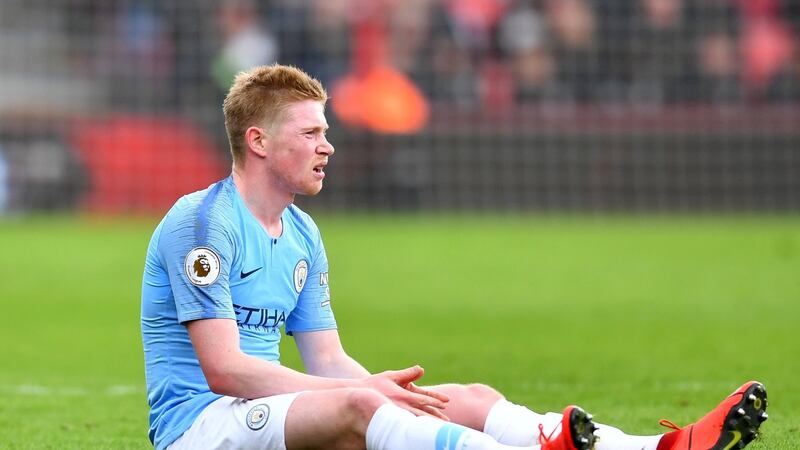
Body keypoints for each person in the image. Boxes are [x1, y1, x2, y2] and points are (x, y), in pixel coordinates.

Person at [141, 64, 769, 450]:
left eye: (325, 132)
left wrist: (373, 385)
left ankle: (657, 448)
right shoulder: (203, 223)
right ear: (258, 141)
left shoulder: (301, 234)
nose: (327, 146)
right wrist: (366, 392)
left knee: (463, 397)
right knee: (366, 406)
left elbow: (326, 357)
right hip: (203, 427)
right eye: (311, 133)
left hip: (268, 413)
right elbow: (226, 371)